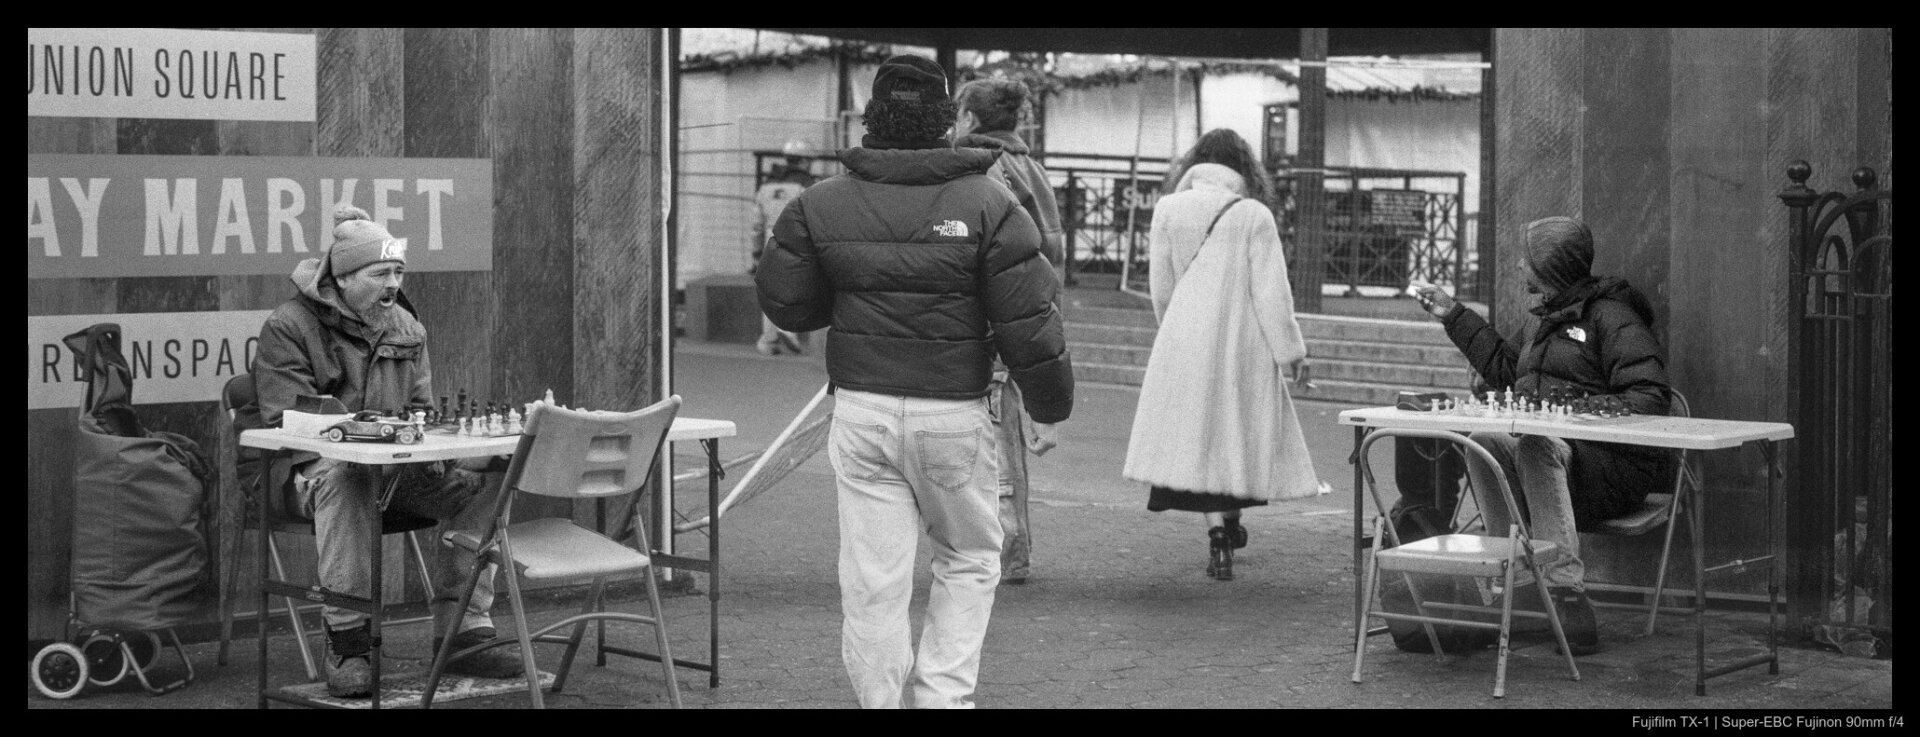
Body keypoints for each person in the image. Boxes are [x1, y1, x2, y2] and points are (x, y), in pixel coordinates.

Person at [755, 53, 1073, 709]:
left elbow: (785, 300)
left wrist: (840, 309)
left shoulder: (820, 202)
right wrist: (1050, 402)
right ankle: (942, 698)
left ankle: (879, 700)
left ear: (872, 119)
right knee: (968, 557)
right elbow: (1029, 317)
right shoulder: (991, 202)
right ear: (944, 124)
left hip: (862, 412)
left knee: (873, 577)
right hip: (953, 414)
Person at [240, 205, 523, 697]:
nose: (393, 283)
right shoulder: (288, 325)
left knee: (492, 478)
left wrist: (456, 452)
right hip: (302, 473)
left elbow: (421, 413)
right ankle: (348, 641)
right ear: (343, 278)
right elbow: (285, 421)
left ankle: (464, 630)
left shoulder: (407, 329)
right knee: (346, 476)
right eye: (380, 273)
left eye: (398, 271)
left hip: (394, 474)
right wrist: (360, 438)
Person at [1409, 215, 1674, 655]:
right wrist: (1452, 315)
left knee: (1535, 445)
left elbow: (1651, 395)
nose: (1519, 268)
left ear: (1552, 267)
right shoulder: (1544, 319)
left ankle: (1568, 596)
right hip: (1562, 468)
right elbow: (1505, 371)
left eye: (1527, 260)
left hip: (1614, 472)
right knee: (1485, 442)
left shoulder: (1612, 317)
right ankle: (1518, 583)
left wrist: (1573, 414)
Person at [1122, 128, 1321, 582]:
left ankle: (1216, 536)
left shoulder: (1169, 208)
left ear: (1196, 162)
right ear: (1244, 169)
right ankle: (1232, 522)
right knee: (1233, 428)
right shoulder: (1254, 214)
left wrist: (1174, 329)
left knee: (1199, 436)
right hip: (1242, 338)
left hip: (1185, 334)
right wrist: (1292, 352)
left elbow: (1161, 286)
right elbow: (1272, 292)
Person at [953, 76, 1065, 586]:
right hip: (1028, 316)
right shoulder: (1032, 168)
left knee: (991, 444)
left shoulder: (977, 169)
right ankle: (1009, 547)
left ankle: (1004, 550)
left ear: (971, 119)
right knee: (1007, 439)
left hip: (987, 325)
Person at [749, 141, 818, 356]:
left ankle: (767, 342)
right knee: (798, 287)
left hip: (770, 242)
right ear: (805, 161)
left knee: (769, 290)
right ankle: (787, 329)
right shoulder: (806, 185)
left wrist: (755, 251)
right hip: (797, 242)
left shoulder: (766, 185)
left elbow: (756, 224)